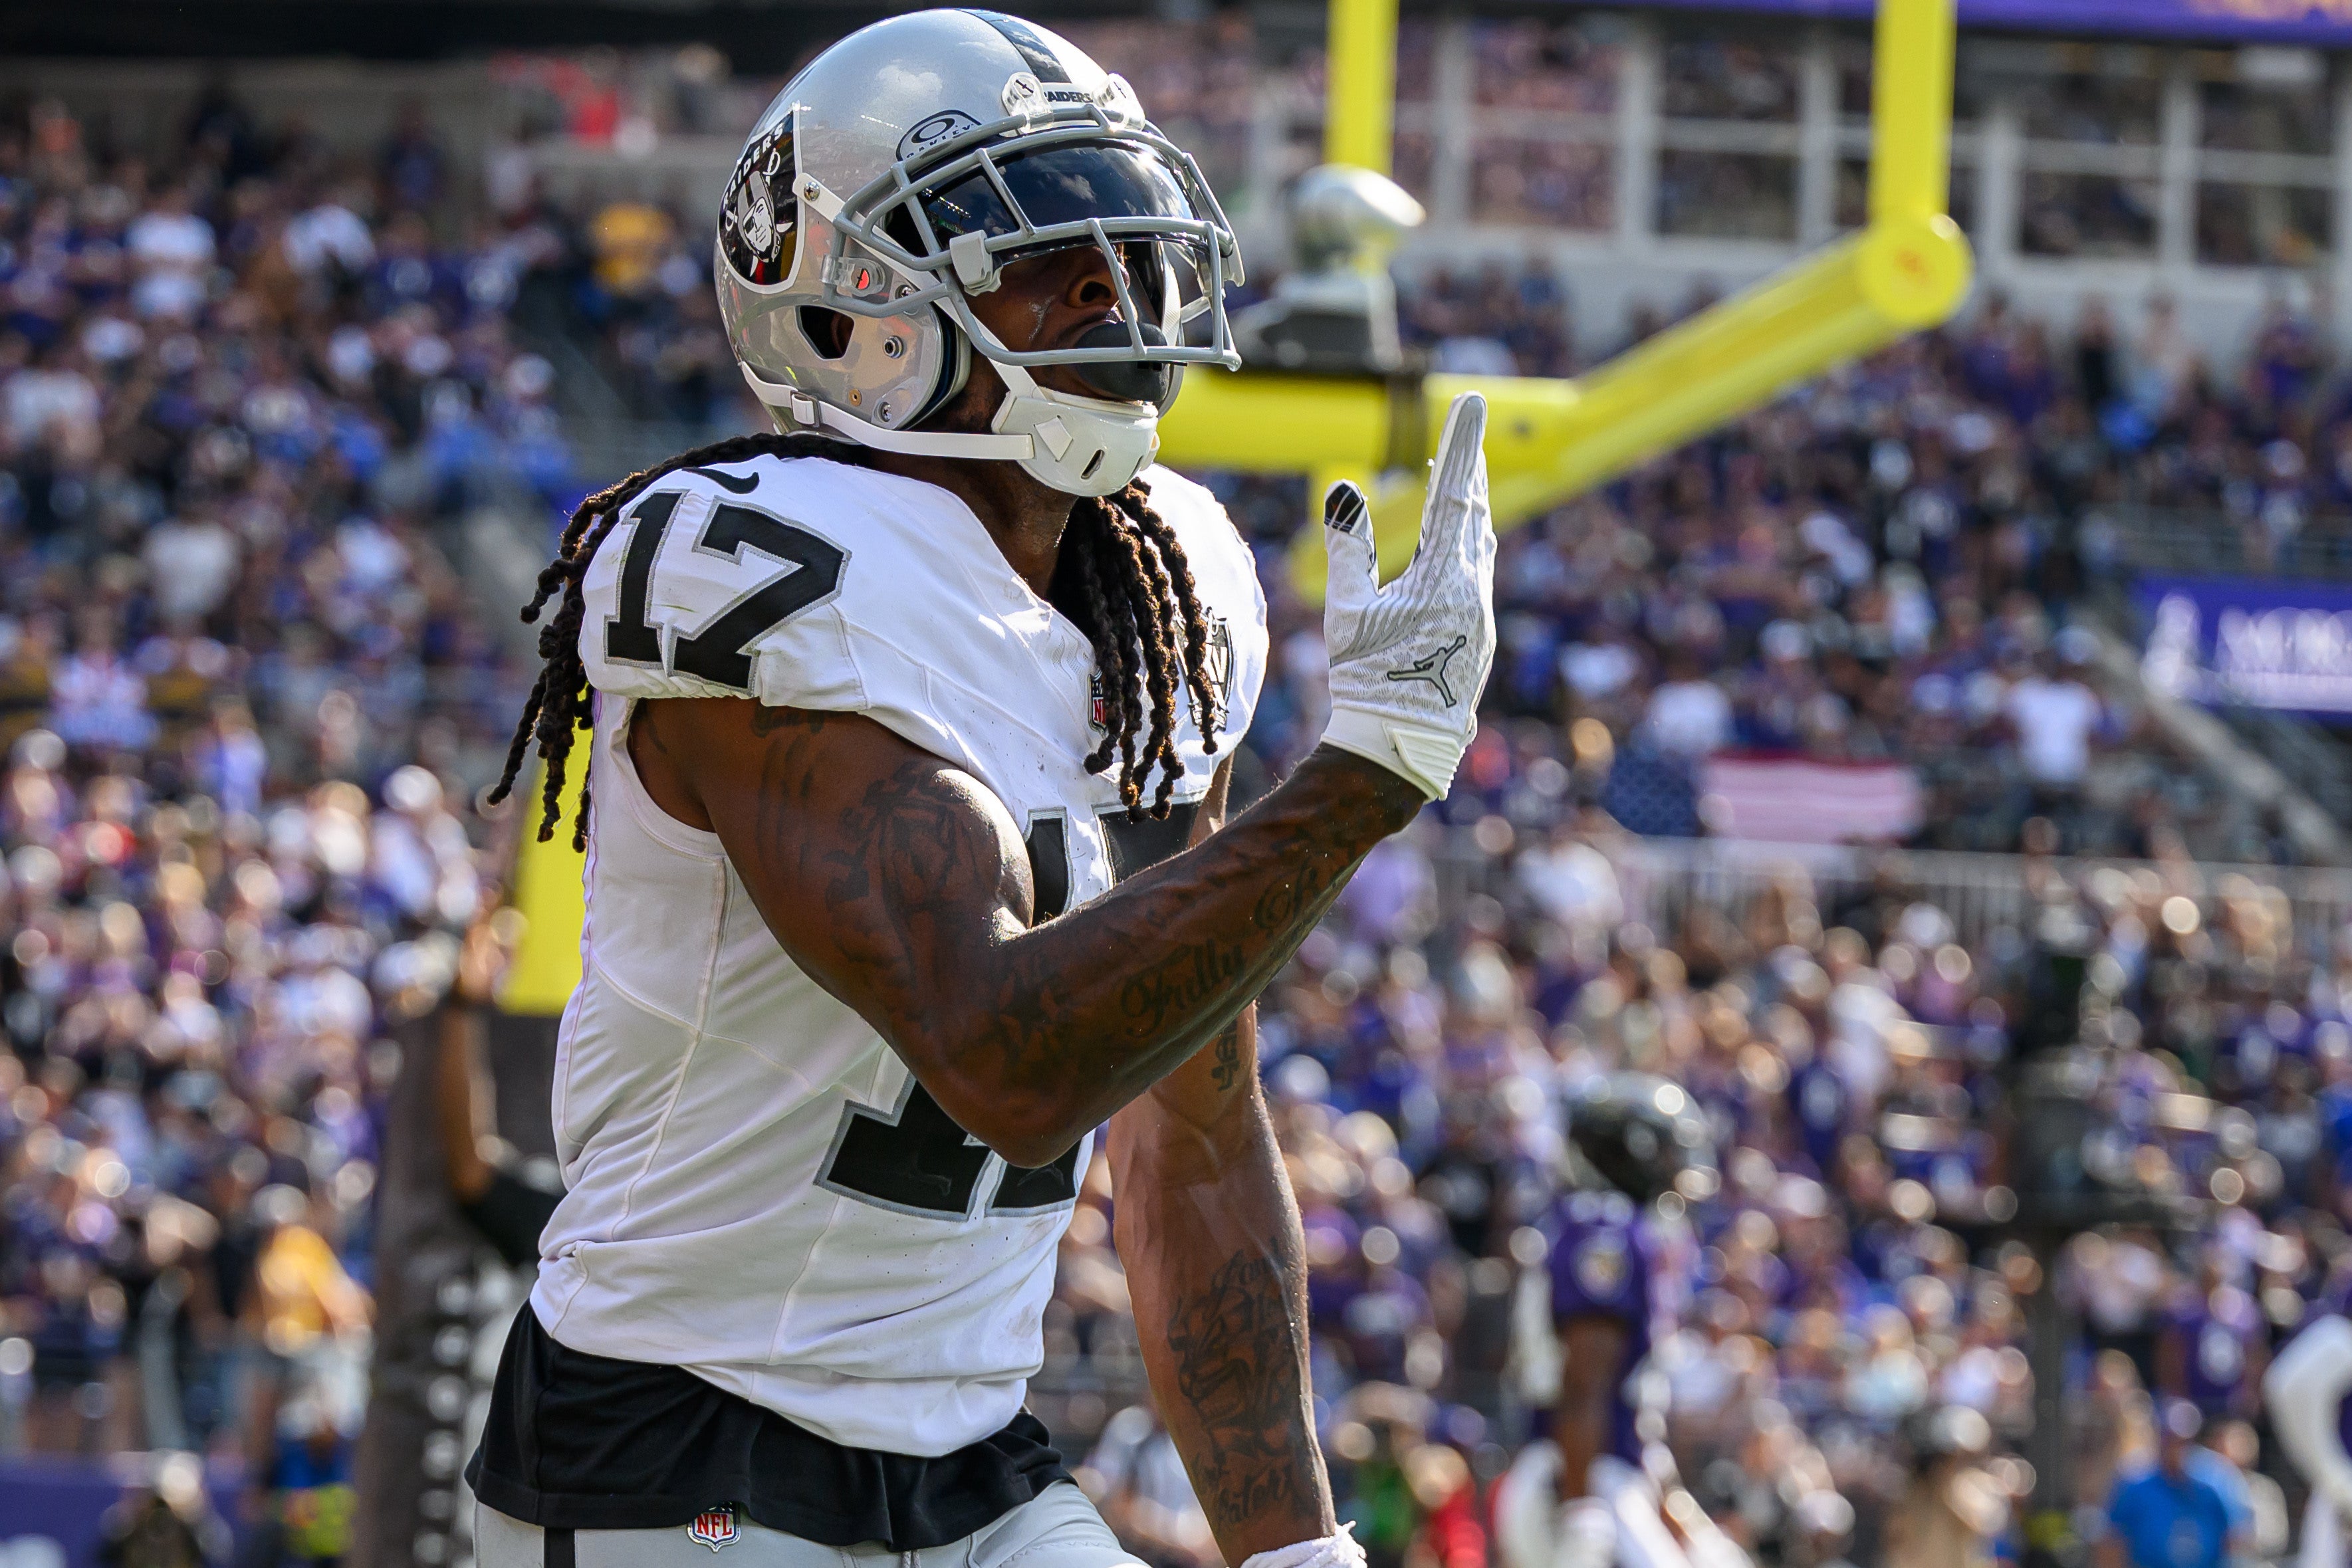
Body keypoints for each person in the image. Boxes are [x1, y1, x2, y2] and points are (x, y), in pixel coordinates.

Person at [466, 14, 1498, 1568]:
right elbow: (999, 1057)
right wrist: (1365, 777)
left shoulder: (1171, 590)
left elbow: (1193, 1126)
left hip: (970, 1446)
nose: (1110, 284)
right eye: (1039, 246)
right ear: (848, 309)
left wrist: (1293, 1550)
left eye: (1120, 238)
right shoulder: (750, 571)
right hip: (676, 1445)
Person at [1492, 1075, 1744, 1568]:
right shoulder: (1604, 1230)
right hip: (1579, 1476)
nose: (1675, 1166)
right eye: (1666, 1151)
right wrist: (1582, 1513)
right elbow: (1585, 1383)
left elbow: (1629, 1416)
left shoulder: (1607, 1224)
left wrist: (1685, 1526)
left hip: (1605, 1474)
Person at [2099, 1400, 2240, 1568]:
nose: (2177, 1447)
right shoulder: (2134, 1484)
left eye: (2184, 1441)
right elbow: (2112, 1543)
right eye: (2171, 1439)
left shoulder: (2214, 1482)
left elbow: (2233, 1540)